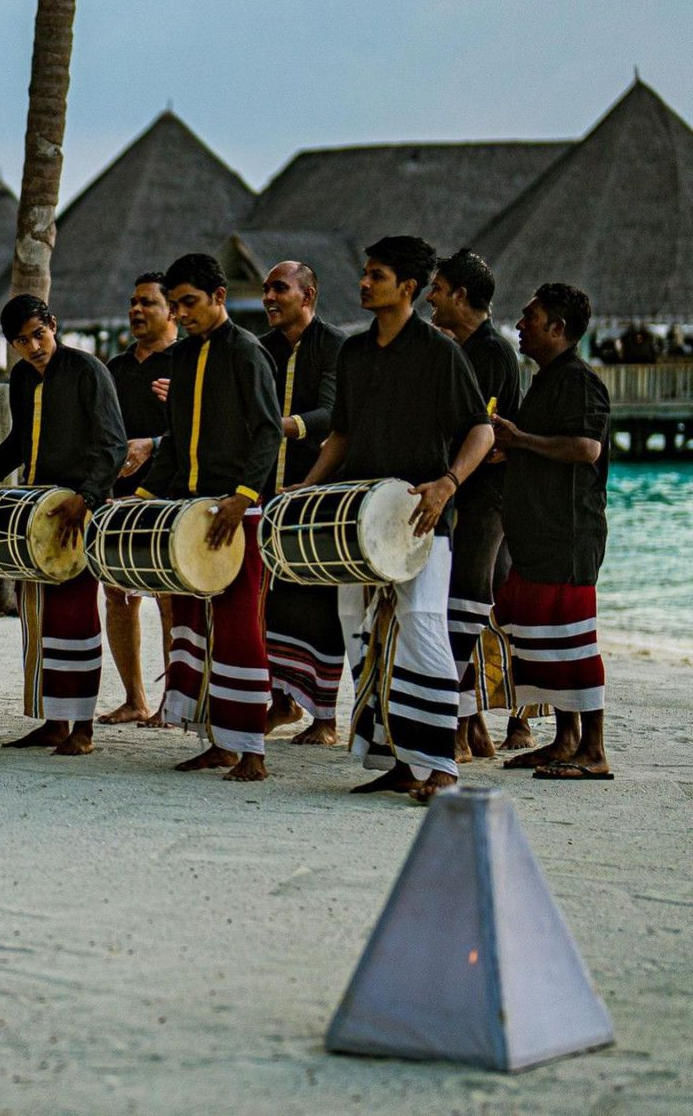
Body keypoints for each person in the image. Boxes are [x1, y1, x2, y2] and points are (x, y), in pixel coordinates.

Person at [300, 236, 494, 802]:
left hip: (417, 521)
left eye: (376, 275)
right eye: (364, 273)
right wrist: (305, 488)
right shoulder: (354, 354)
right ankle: (399, 761)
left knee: (422, 631)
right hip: (358, 522)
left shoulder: (439, 353)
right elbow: (342, 435)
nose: (364, 283)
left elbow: (479, 429)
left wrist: (449, 482)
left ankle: (442, 766)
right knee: (363, 637)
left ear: (407, 288)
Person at [0, 295, 126, 754]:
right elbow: (21, 440)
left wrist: (85, 500)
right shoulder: (23, 377)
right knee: (39, 618)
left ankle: (82, 727)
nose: (33, 346)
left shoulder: (89, 371)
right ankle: (53, 720)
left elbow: (112, 445)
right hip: (36, 510)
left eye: (38, 334)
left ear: (53, 326)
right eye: (22, 341)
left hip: (79, 510)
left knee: (78, 616)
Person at [136, 254, 282, 782]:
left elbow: (268, 431)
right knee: (194, 628)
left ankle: (254, 752)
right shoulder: (183, 356)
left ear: (219, 297)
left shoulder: (247, 352)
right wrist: (147, 496)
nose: (182, 313)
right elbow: (176, 440)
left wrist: (243, 498)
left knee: (240, 627)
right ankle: (218, 743)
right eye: (175, 305)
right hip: (190, 512)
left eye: (190, 303)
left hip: (237, 511)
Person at [492, 283, 613, 780]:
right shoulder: (546, 380)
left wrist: (521, 439)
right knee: (543, 640)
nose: (520, 325)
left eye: (530, 317)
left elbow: (587, 449)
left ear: (558, 328)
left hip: (568, 534)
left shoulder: (580, 382)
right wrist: (512, 448)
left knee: (574, 642)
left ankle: (595, 750)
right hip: (540, 535)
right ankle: (565, 740)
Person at [425, 248, 524, 761]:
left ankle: (461, 728)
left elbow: (474, 432)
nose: (430, 297)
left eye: (438, 289)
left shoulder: (492, 353)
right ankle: (474, 724)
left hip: (486, 498)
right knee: (464, 605)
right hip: (467, 492)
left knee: (464, 603)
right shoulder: (460, 347)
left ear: (460, 296)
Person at [259, 260, 347, 745]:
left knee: (319, 606)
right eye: (267, 290)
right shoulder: (261, 349)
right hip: (268, 496)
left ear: (308, 295)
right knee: (272, 605)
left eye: (280, 288)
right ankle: (281, 703)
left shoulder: (336, 346)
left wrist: (282, 425)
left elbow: (334, 413)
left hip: (318, 495)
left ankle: (326, 718)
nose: (270, 297)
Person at [100, 273, 178, 727]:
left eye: (147, 302)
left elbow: (211, 430)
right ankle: (135, 698)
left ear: (172, 311)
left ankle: (173, 700)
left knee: (169, 597)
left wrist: (155, 440)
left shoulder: (186, 363)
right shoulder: (116, 369)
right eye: (132, 302)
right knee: (118, 596)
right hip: (120, 495)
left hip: (170, 493)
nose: (136, 310)